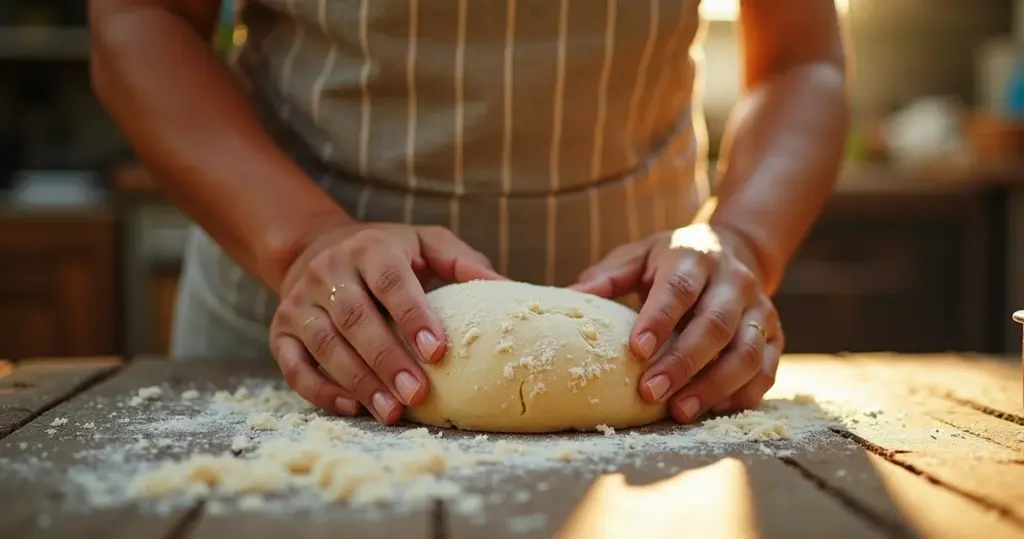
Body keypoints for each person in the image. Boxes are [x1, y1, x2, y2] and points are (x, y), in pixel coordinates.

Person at [89, 0, 849, 426]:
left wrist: (737, 238)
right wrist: (303, 242)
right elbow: (139, 14)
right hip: (305, 336)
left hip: (664, 345)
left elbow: (800, 58)